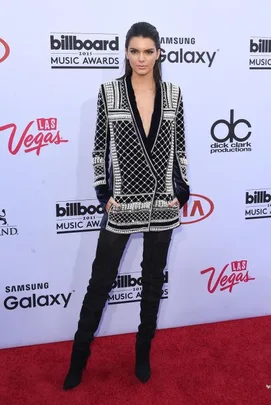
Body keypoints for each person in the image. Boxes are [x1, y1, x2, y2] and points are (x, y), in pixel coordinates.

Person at [63, 21, 190, 390]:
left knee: (152, 284)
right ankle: (78, 361)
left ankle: (142, 353)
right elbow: (100, 147)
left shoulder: (174, 94)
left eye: (148, 51)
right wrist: (104, 192)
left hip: (163, 202)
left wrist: (181, 189)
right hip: (122, 204)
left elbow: (179, 146)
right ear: (126, 53)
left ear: (159, 53)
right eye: (134, 51)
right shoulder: (109, 92)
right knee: (99, 283)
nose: (141, 58)